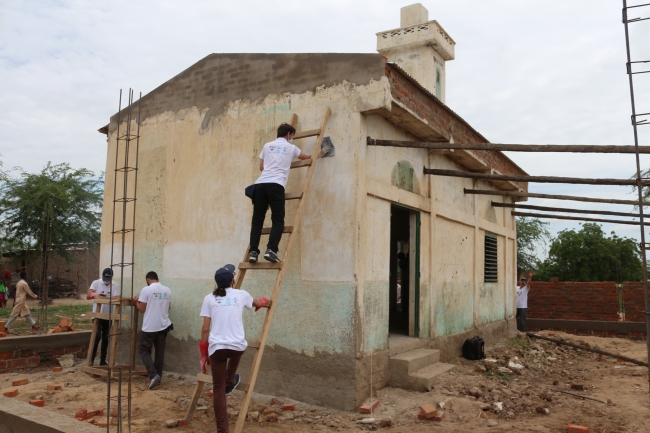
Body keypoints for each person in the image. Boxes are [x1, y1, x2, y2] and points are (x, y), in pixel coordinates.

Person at [199, 264, 268, 433]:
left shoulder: (209, 298)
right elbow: (259, 303)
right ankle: (229, 380)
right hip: (237, 346)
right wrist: (264, 302)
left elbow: (205, 329)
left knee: (218, 389)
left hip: (217, 348)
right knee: (236, 350)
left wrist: (204, 353)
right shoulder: (241, 294)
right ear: (232, 280)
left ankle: (223, 430)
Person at [248, 123, 311, 264]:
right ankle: (271, 250)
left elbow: (261, 167)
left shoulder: (267, 145)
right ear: (289, 134)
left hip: (260, 185)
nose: (292, 138)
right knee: (278, 220)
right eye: (292, 136)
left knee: (257, 220)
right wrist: (317, 154)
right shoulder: (291, 147)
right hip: (276, 185)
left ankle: (253, 252)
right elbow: (306, 157)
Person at [133, 271, 172, 390]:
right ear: (157, 278)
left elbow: (142, 309)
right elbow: (169, 307)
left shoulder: (146, 290)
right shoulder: (167, 290)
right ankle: (158, 379)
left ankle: (153, 375)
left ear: (147, 279)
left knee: (144, 351)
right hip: (163, 325)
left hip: (150, 326)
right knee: (159, 353)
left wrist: (136, 302)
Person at [87, 268, 118, 366]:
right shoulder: (96, 283)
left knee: (106, 338)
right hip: (97, 315)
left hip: (108, 316)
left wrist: (113, 298)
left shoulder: (115, 285)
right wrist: (94, 295)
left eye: (108, 279)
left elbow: (117, 298)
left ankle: (103, 360)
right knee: (97, 336)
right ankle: (91, 359)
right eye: (105, 278)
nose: (106, 281)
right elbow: (88, 295)